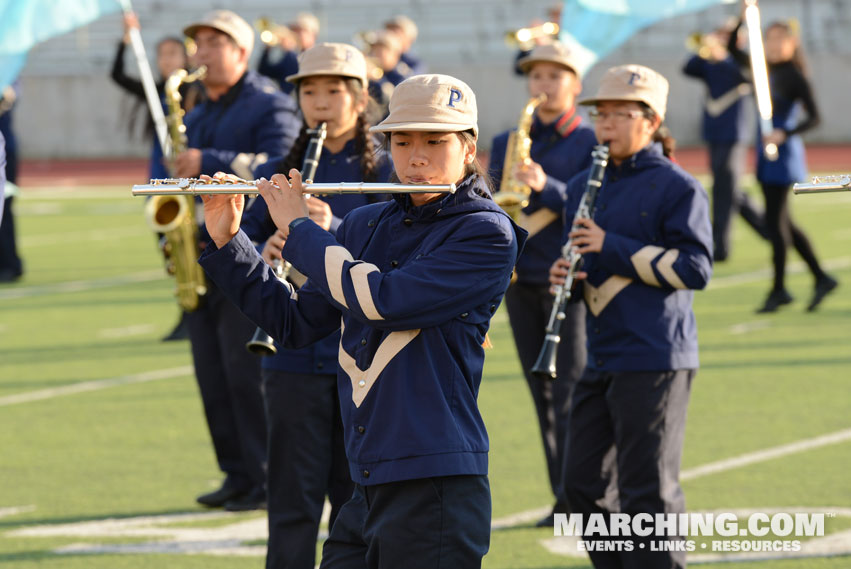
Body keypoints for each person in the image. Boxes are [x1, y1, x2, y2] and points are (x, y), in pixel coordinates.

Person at [199, 73, 525, 568]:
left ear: (468, 147)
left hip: (432, 481)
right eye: (402, 140)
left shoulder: (485, 232)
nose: (416, 156)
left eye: (435, 140)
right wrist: (231, 241)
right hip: (366, 482)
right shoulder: (365, 224)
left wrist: (300, 228)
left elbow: (382, 300)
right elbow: (294, 323)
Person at [550, 64, 712, 569]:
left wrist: (610, 246)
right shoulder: (581, 184)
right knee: (581, 485)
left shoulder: (676, 186)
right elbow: (587, 263)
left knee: (648, 493)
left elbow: (696, 267)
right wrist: (569, 279)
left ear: (652, 120)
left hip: (656, 352)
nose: (608, 123)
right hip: (601, 353)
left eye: (622, 113)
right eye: (602, 113)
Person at [241, 42, 392, 569]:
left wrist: (326, 234)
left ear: (360, 95)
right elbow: (244, 250)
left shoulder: (389, 170)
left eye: (334, 89)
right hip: (292, 354)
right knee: (290, 500)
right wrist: (266, 249)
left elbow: (396, 259)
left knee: (356, 502)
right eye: (309, 90)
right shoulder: (277, 168)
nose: (320, 100)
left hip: (363, 357)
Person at [179, 9, 301, 512]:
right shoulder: (196, 108)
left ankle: (263, 477)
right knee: (211, 373)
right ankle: (235, 472)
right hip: (201, 251)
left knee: (243, 375)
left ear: (242, 52)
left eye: (215, 43)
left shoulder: (269, 104)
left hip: (246, 248)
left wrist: (207, 160)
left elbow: (277, 165)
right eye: (199, 43)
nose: (202, 52)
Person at [488, 41, 597, 527]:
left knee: (569, 390)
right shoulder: (510, 137)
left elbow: (590, 202)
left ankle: (581, 494)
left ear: (574, 84)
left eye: (555, 76)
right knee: (540, 390)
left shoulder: (589, 139)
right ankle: (562, 495)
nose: (543, 86)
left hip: (567, 278)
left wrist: (543, 184)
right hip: (519, 276)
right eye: (536, 77)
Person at [728, 17, 838, 312]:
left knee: (776, 226)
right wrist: (744, 17)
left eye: (780, 39)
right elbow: (731, 48)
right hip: (765, 153)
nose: (774, 45)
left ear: (792, 43)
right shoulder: (762, 70)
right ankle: (821, 277)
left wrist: (784, 132)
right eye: (769, 39)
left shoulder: (794, 76)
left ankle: (779, 290)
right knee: (784, 223)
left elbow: (815, 118)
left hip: (783, 155)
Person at [683, 21, 768, 261]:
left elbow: (748, 79)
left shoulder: (740, 64)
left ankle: (721, 246)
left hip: (734, 133)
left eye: (727, 36)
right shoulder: (710, 64)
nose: (721, 39)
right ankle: (767, 229)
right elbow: (688, 67)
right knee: (727, 188)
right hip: (714, 133)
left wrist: (724, 54)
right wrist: (708, 48)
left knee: (725, 189)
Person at [110, 11, 201, 180]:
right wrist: (126, 40)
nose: (166, 60)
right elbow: (117, 75)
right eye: (162, 54)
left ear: (186, 58)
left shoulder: (198, 88)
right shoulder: (154, 90)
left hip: (193, 158)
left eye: (172, 53)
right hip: (161, 157)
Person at [257, 12, 320, 95]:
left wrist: (289, 51)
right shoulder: (288, 58)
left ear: (313, 35)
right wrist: (267, 49)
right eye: (293, 30)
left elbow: (299, 68)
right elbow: (264, 72)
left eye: (299, 30)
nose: (295, 34)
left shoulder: (318, 57)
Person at [0, 82, 22, 283]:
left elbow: (9, 99)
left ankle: (10, 264)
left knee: (4, 207)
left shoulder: (7, 76)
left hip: (5, 152)